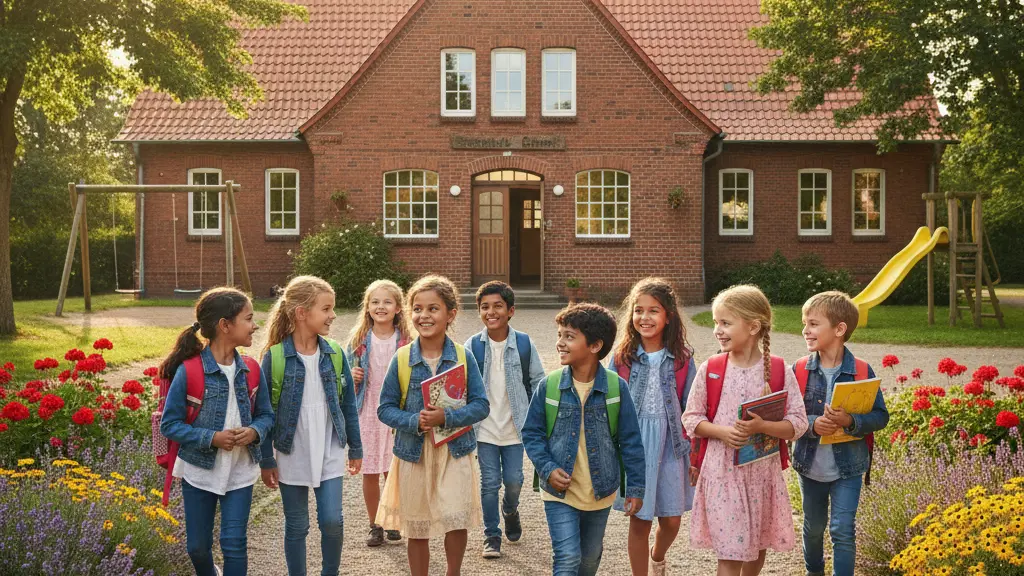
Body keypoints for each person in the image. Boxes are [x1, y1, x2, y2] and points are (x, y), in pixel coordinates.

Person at [682, 285, 808, 576]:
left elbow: (798, 424)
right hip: (721, 475)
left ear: (753, 326)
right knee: (729, 555)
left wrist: (763, 426)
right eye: (716, 322)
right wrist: (721, 432)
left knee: (755, 551)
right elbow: (690, 418)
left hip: (761, 477)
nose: (717, 330)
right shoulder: (711, 368)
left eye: (725, 323)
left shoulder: (778, 370)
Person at [376, 274, 489, 576]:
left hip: (455, 452)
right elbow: (384, 408)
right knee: (418, 524)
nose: (423, 316)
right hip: (414, 454)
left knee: (455, 518)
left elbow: (481, 405)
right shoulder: (401, 359)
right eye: (417, 308)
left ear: (450, 314)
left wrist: (447, 418)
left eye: (433, 309)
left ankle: (454, 572)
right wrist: (414, 420)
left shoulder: (464, 357)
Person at [522, 302, 646, 576]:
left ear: (594, 345)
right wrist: (547, 468)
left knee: (588, 561)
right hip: (558, 492)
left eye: (569, 336)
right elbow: (531, 433)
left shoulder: (616, 388)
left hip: (599, 492)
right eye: (560, 335)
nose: (560, 343)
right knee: (567, 559)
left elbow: (631, 442)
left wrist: (635, 488)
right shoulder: (549, 386)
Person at [159, 287, 274, 576]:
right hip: (199, 471)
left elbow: (266, 416)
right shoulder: (190, 371)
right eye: (248, 318)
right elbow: (169, 425)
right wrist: (211, 438)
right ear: (225, 326)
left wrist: (254, 432)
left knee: (234, 543)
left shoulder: (251, 368)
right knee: (197, 548)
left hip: (240, 471)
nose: (255, 325)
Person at [258, 276, 362, 576]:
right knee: (296, 524)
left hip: (329, 447)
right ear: (301, 313)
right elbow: (263, 414)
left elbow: (347, 406)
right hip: (292, 450)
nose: (333, 315)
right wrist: (266, 458)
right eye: (326, 308)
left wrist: (355, 447)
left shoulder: (335, 354)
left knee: (332, 520)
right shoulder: (275, 357)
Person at [793, 291, 889, 576]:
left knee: (842, 530)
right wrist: (812, 425)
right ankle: (815, 572)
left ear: (839, 329)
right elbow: (789, 416)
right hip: (810, 467)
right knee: (814, 529)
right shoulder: (799, 370)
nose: (805, 330)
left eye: (813, 323)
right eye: (804, 323)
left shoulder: (861, 370)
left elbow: (880, 416)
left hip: (849, 468)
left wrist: (850, 420)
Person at [608, 278, 697, 576]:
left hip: (671, 445)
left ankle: (657, 556)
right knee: (640, 518)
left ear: (668, 316)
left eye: (653, 311)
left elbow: (692, 408)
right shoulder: (622, 358)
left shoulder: (683, 358)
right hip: (636, 447)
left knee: (671, 519)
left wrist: (695, 454)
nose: (644, 317)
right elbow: (609, 403)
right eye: (638, 310)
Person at [464, 280, 546, 559]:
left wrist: (539, 420)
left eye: (498, 306)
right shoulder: (472, 346)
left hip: (515, 427)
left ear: (510, 310)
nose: (491, 311)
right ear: (479, 311)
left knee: (513, 480)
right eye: (485, 307)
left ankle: (510, 510)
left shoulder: (524, 344)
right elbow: (461, 387)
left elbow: (537, 382)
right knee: (489, 482)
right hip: (484, 427)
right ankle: (491, 535)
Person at [345, 279, 412, 547]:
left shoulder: (406, 340)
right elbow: (343, 379)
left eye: (387, 302)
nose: (380, 306)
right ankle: (375, 524)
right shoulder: (359, 340)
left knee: (394, 470)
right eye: (375, 302)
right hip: (368, 411)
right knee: (371, 470)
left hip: (396, 412)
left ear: (398, 308)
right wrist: (351, 376)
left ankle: (393, 520)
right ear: (367, 307)